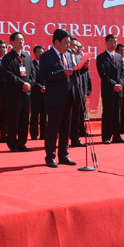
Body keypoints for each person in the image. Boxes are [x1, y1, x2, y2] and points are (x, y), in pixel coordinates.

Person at [41, 29, 83, 167]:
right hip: (55, 97)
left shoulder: (69, 55)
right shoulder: (47, 56)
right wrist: (62, 73)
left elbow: (73, 73)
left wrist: (83, 67)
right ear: (56, 42)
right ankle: (50, 156)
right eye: (66, 43)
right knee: (53, 128)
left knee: (66, 128)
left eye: (69, 43)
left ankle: (63, 155)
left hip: (69, 96)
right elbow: (45, 75)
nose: (68, 45)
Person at [2, 31, 35, 152]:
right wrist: (22, 84)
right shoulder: (7, 58)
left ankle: (22, 143)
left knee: (24, 119)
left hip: (26, 93)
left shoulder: (27, 57)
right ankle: (12, 143)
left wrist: (29, 84)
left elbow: (33, 73)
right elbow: (8, 74)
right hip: (14, 94)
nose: (21, 41)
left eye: (22, 39)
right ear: (12, 42)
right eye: (18, 39)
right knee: (14, 119)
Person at [96, 34, 124, 144]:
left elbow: (123, 72)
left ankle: (117, 136)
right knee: (108, 114)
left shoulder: (119, 57)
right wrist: (114, 84)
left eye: (115, 42)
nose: (113, 44)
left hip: (119, 90)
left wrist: (121, 84)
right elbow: (103, 74)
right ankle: (106, 136)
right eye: (111, 42)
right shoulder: (101, 57)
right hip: (108, 90)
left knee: (118, 114)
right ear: (106, 42)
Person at [68, 38, 90, 147]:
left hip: (78, 90)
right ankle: (64, 139)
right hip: (67, 91)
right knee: (67, 116)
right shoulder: (65, 57)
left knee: (76, 116)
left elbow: (82, 76)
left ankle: (75, 138)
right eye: (73, 45)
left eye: (76, 46)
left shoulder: (78, 58)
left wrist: (85, 66)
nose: (75, 48)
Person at [29, 45, 46, 140]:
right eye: (39, 52)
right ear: (34, 53)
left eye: (42, 52)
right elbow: (31, 78)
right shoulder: (31, 64)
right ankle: (34, 134)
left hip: (46, 93)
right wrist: (40, 87)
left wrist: (46, 87)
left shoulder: (47, 64)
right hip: (35, 93)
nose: (41, 54)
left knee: (44, 115)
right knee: (35, 115)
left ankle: (44, 134)